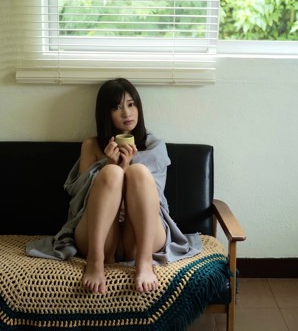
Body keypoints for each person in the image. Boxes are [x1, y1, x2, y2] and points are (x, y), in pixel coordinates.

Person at [26, 78, 202, 295]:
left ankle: (144, 263)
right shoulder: (91, 146)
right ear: (106, 114)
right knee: (111, 172)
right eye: (117, 107)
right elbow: (80, 199)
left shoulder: (154, 146)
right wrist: (111, 165)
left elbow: (155, 197)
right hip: (99, 234)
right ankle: (96, 262)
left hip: (141, 233)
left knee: (138, 172)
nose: (127, 113)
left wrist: (128, 166)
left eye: (131, 104)